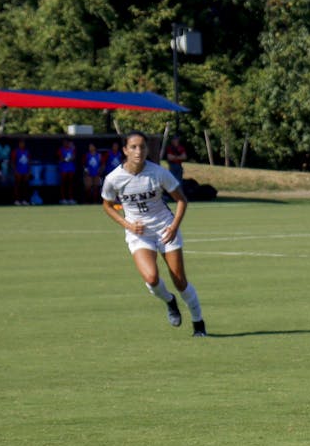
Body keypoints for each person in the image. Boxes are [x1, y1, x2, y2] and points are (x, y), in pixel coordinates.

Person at [100, 131, 207, 337]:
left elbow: (181, 200)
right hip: (139, 234)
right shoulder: (114, 178)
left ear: (147, 149)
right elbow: (107, 205)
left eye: (142, 147)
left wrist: (174, 226)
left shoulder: (158, 172)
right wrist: (127, 225)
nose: (138, 151)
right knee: (151, 277)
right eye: (133, 147)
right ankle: (169, 301)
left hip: (165, 228)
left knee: (180, 281)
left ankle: (198, 322)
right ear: (125, 150)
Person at [12, 140, 32, 205]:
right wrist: (15, 170)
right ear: (18, 144)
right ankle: (17, 200)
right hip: (18, 170)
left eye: (23, 143)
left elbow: (29, 161)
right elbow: (13, 161)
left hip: (25, 170)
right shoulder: (16, 151)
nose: (22, 145)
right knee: (17, 185)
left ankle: (24, 200)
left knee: (25, 185)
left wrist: (29, 171)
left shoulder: (27, 151)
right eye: (20, 143)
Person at [58, 139, 77, 205]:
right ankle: (63, 199)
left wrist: (70, 158)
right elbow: (60, 158)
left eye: (67, 143)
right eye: (64, 143)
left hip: (71, 169)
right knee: (63, 184)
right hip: (63, 169)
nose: (66, 144)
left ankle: (70, 198)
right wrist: (66, 159)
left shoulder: (72, 149)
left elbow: (74, 157)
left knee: (70, 184)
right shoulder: (61, 149)